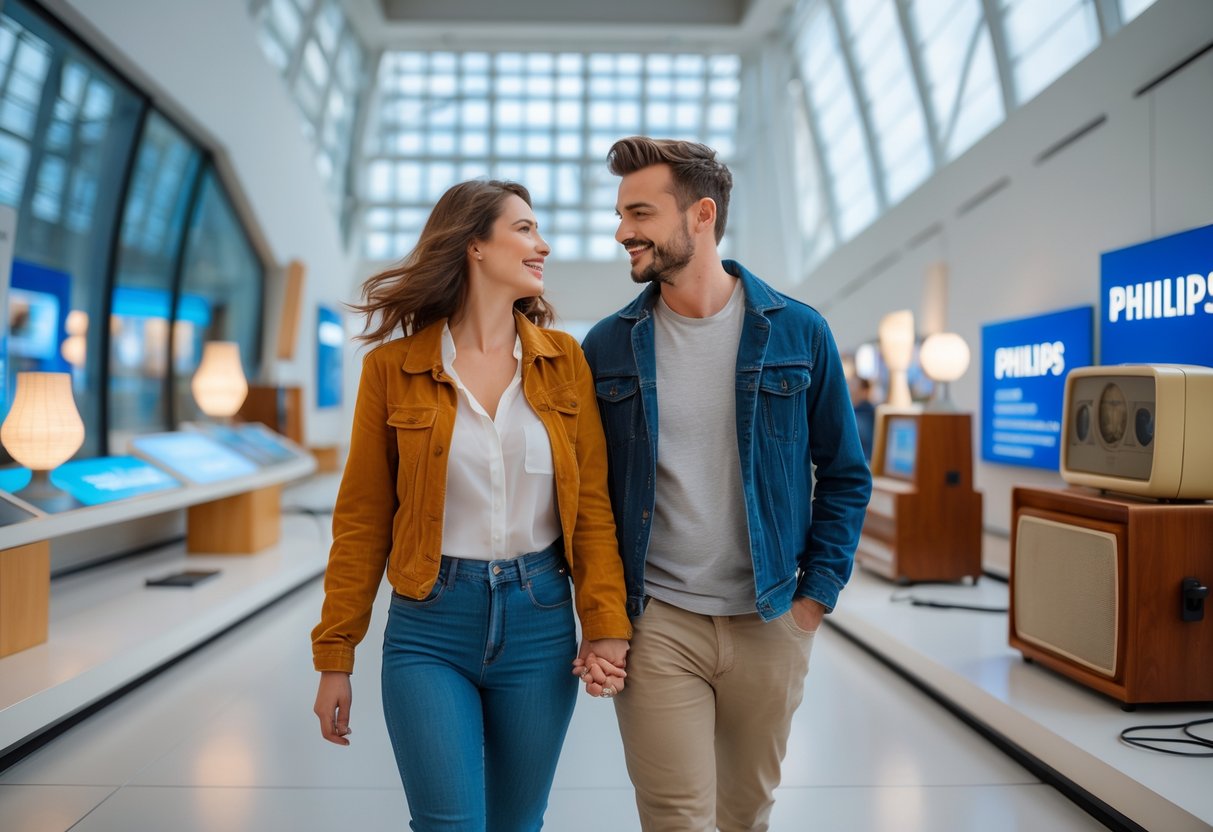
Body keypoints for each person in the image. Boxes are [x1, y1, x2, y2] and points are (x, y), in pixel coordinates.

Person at [311, 179, 631, 831]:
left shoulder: (563, 361)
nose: (541, 245)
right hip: (429, 625)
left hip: (539, 620)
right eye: (524, 229)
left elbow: (591, 506)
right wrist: (334, 656)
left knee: (517, 824)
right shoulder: (391, 369)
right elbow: (362, 522)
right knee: (447, 824)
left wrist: (604, 623)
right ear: (474, 246)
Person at [581, 137, 873, 831]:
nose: (623, 231)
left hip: (770, 615)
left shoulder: (798, 332)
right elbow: (587, 496)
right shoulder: (607, 346)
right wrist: (602, 621)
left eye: (640, 213)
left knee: (744, 814)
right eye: (621, 214)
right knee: (676, 816)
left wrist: (813, 600)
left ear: (701, 215)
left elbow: (843, 474)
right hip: (659, 622)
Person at [850, 375, 876, 461]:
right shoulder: (854, 411)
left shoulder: (867, 413)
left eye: (853, 386)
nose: (850, 389)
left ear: (865, 391)